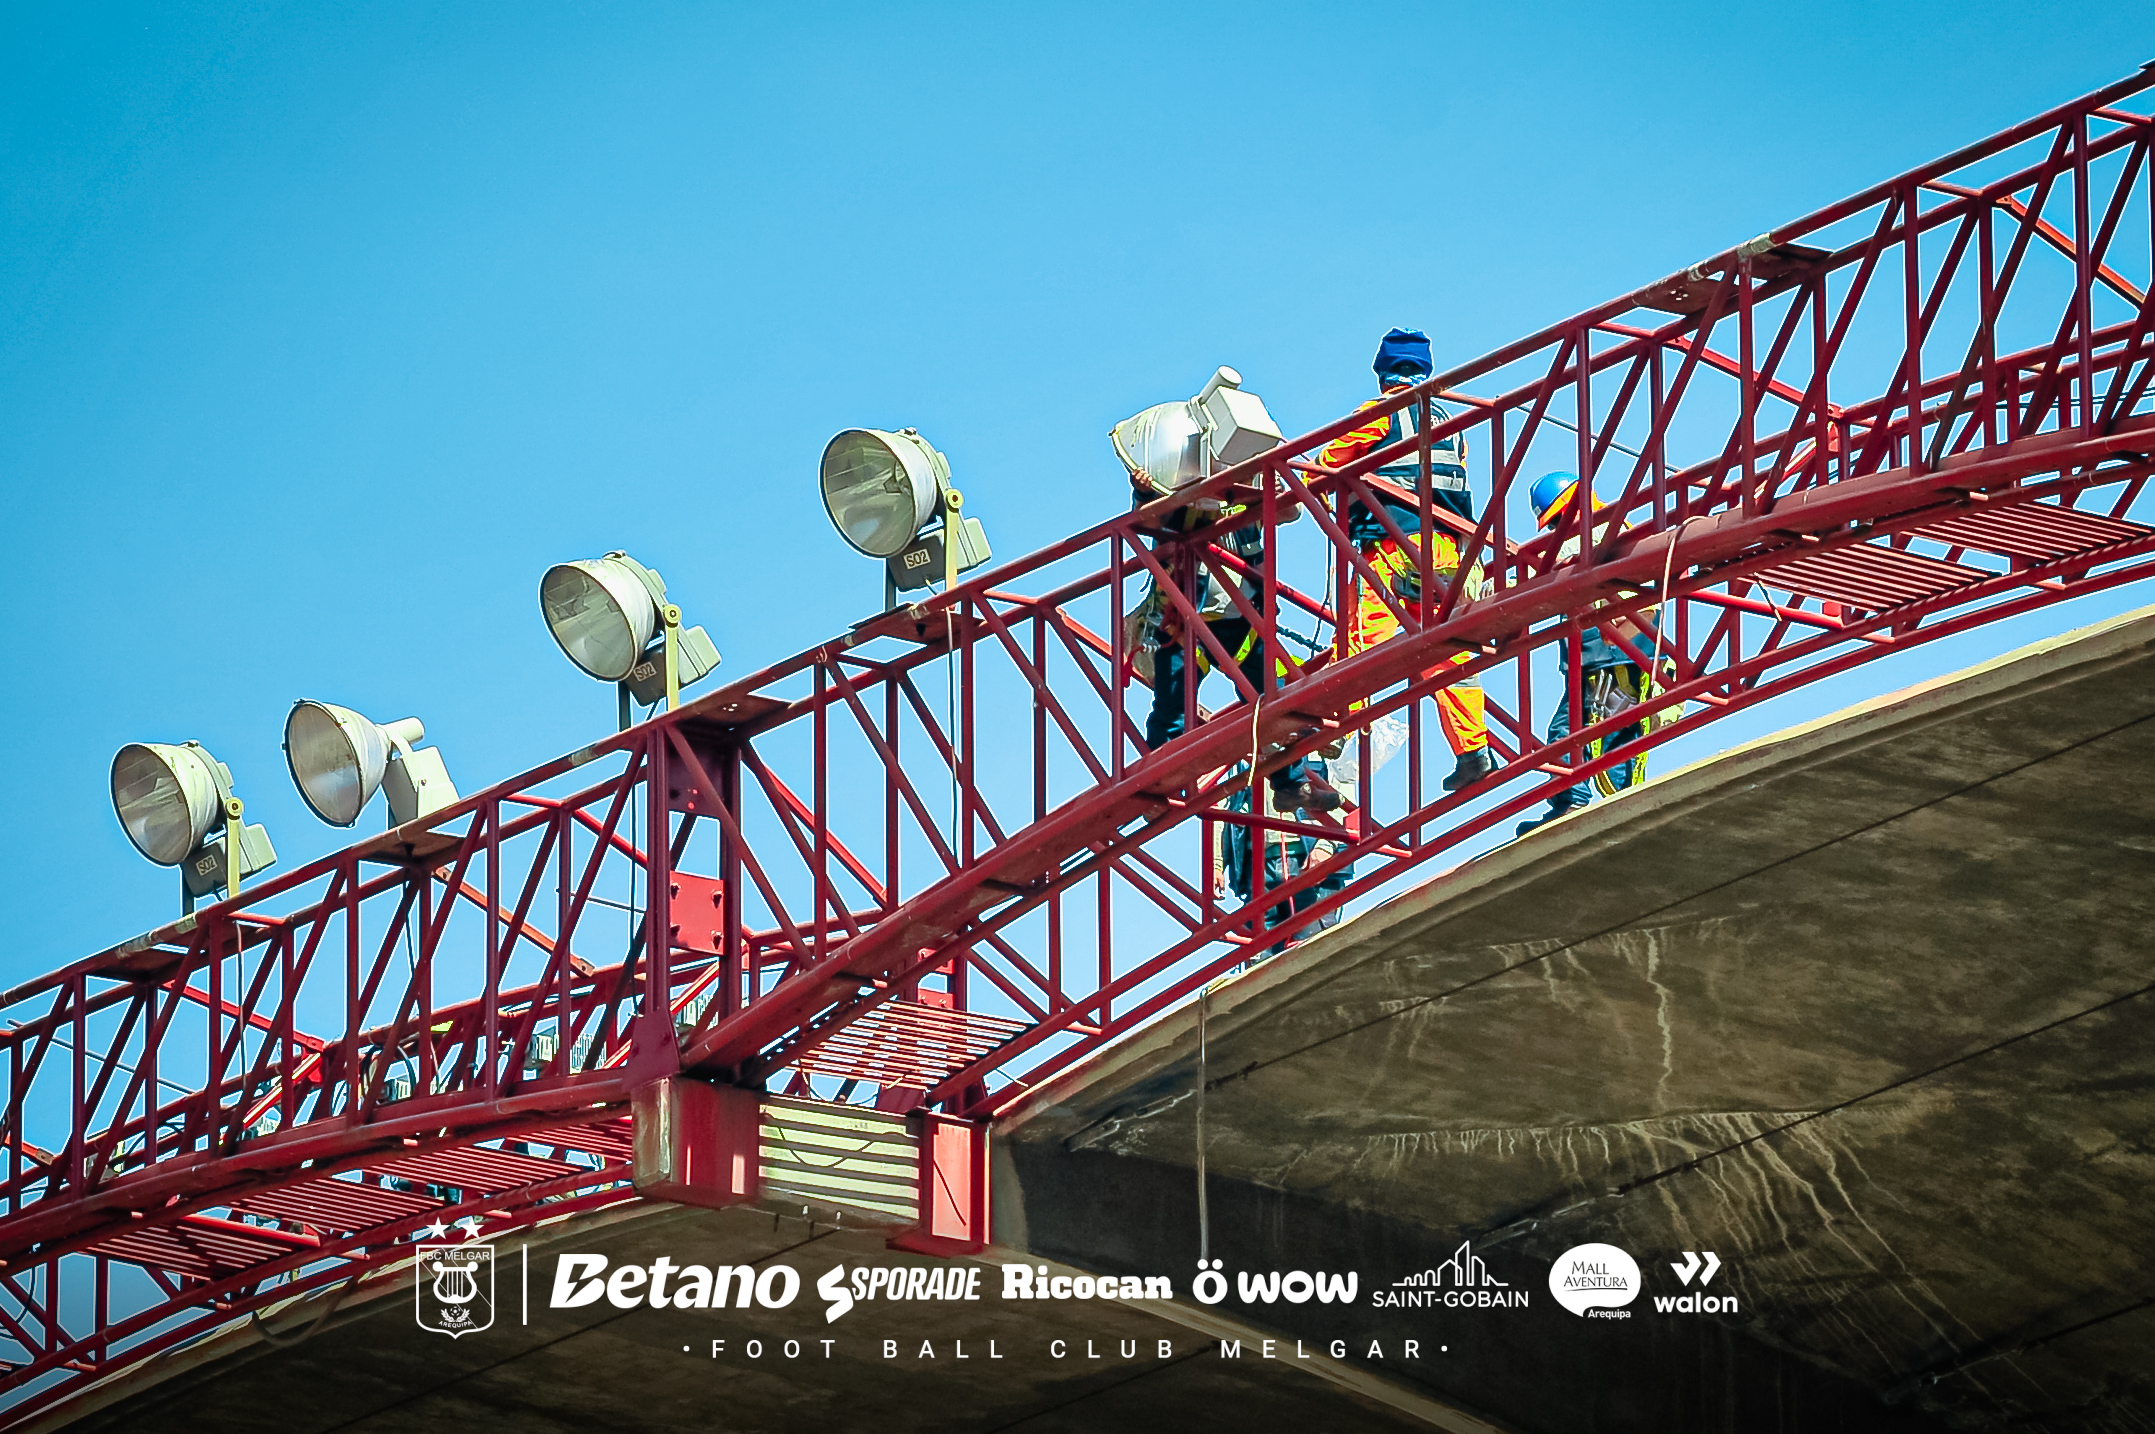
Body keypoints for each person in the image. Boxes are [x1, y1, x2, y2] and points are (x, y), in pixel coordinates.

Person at [1318, 328, 1496, 794]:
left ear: (1383, 375)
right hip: (1446, 551)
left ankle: (1341, 731)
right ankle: (1473, 751)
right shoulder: (1448, 422)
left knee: (1363, 641)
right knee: (1446, 652)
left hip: (1394, 544)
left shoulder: (1379, 414)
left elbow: (1327, 459)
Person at [1130, 470, 1338, 814]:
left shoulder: (1246, 488)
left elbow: (1289, 511)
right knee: (1172, 709)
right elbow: (1145, 521)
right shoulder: (1178, 493)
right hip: (1185, 625)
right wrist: (1144, 491)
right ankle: (1159, 792)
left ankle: (1290, 784)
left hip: (1243, 623)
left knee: (1274, 698)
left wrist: (1266, 485)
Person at [1513, 471, 1672, 836]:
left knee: (1599, 733)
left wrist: (1483, 594)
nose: (1553, 530)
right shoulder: (1613, 529)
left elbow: (1538, 576)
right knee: (1593, 733)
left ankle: (1602, 804)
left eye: (1555, 520)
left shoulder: (1593, 533)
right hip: (1607, 657)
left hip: (1616, 655)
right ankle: (1601, 804)